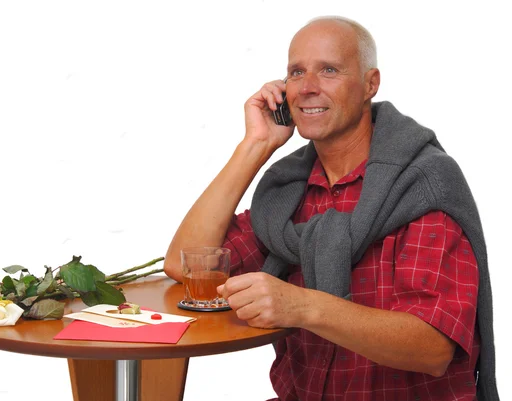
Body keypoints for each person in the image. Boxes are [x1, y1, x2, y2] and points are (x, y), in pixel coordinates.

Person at [163, 16, 499, 401]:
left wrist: (303, 307)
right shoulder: (289, 190)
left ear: (371, 84)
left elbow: (434, 347)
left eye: (328, 70)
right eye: (296, 72)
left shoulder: (421, 183)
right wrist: (255, 145)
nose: (307, 88)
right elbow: (187, 265)